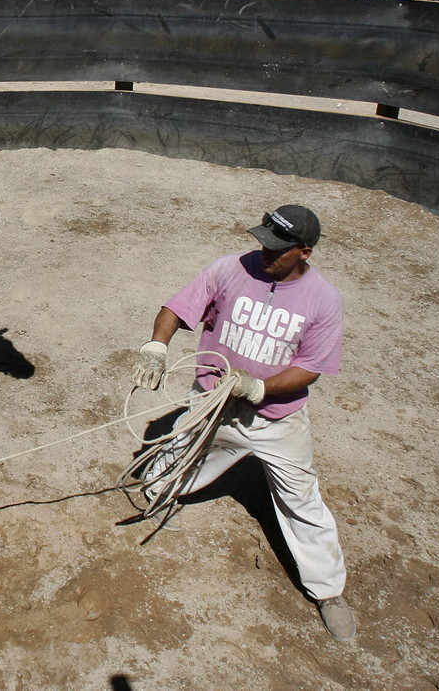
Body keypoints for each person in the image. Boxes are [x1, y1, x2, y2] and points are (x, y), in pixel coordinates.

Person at [130, 204, 356, 642]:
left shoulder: (324, 301)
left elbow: (311, 366)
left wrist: (260, 389)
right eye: (262, 241)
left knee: (301, 499)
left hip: (276, 418)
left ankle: (329, 592)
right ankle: (161, 496)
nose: (264, 252)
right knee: (180, 449)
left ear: (304, 252)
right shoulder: (230, 269)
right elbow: (177, 307)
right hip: (212, 398)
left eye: (277, 248)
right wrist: (156, 347)